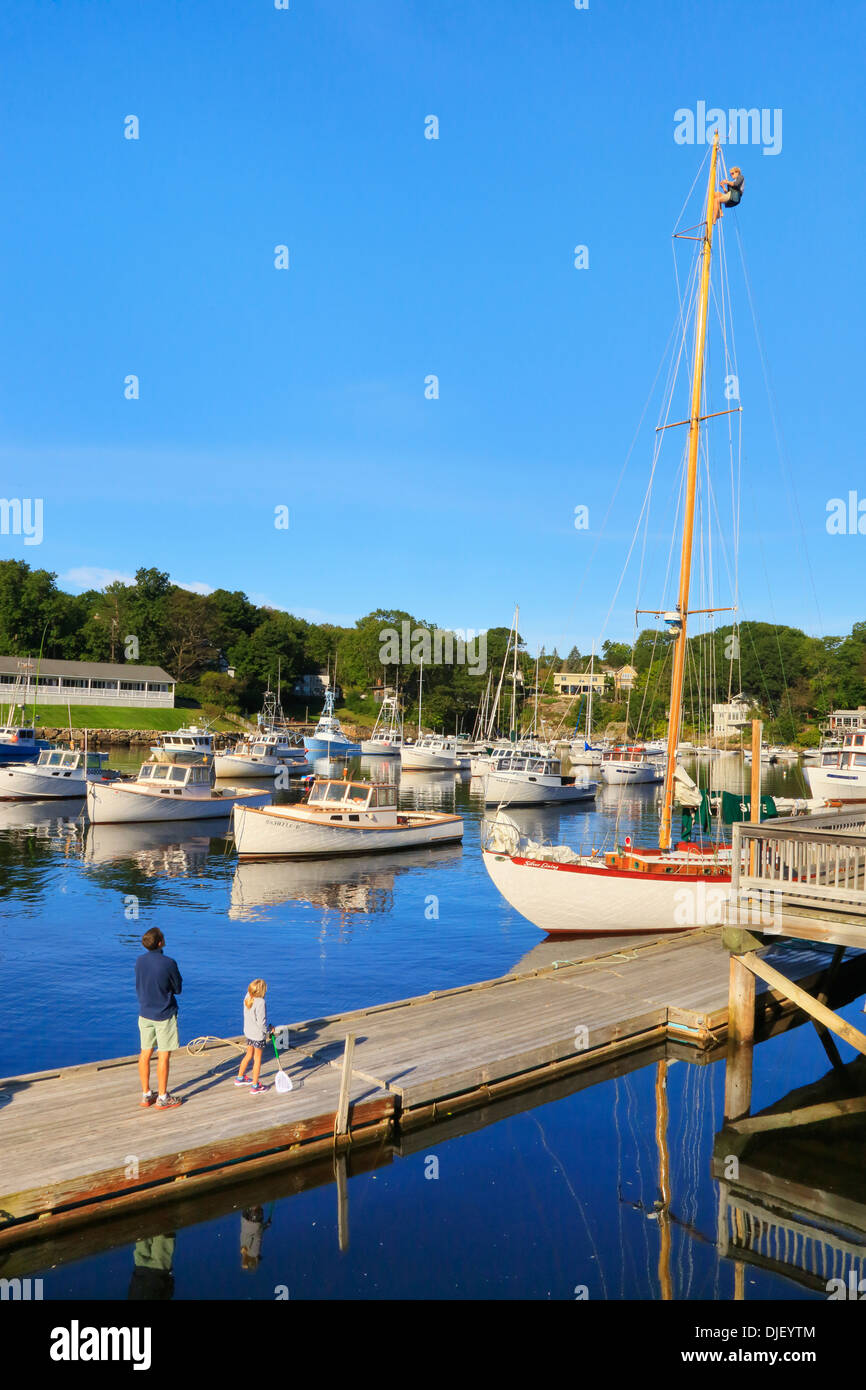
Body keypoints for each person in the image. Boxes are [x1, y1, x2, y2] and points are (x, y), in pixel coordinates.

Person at [135, 927, 183, 1109]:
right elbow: (178, 988)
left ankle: (146, 1094)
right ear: (160, 942)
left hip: (144, 1013)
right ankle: (162, 1097)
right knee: (163, 1055)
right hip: (164, 1014)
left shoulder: (139, 961)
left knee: (145, 1053)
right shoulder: (168, 963)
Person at [236, 978, 271, 1094]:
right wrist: (269, 1031)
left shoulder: (247, 997)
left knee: (248, 1055)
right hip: (257, 1035)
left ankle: (240, 1078)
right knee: (257, 1059)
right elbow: (261, 1023)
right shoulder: (261, 1002)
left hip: (248, 1032)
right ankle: (255, 1085)